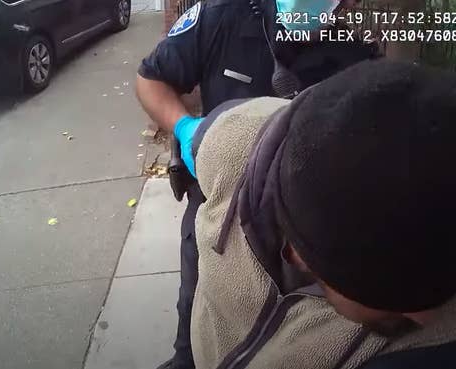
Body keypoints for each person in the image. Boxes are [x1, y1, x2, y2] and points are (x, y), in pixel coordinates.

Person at [178, 59, 456, 369]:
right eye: (393, 300)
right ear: (298, 254)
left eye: (445, 290)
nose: (429, 316)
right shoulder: (230, 138)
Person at [136, 1, 380, 368]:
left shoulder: (358, 53)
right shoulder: (221, 17)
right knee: (195, 319)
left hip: (303, 235)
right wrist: (186, 130)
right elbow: (150, 79)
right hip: (218, 214)